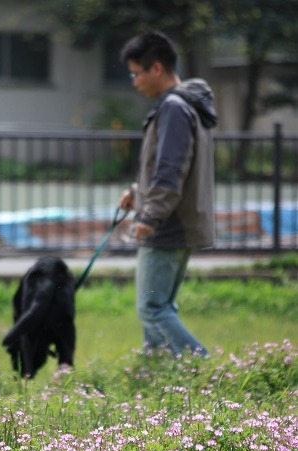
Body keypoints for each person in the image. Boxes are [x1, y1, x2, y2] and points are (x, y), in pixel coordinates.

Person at [118, 30, 218, 357]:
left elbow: (171, 169)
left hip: (167, 224)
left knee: (152, 308)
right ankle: (157, 371)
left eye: (136, 73)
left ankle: (201, 363)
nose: (134, 82)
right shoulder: (184, 105)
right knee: (160, 305)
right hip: (177, 219)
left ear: (156, 69)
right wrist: (137, 192)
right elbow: (167, 167)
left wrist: (149, 216)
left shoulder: (174, 108)